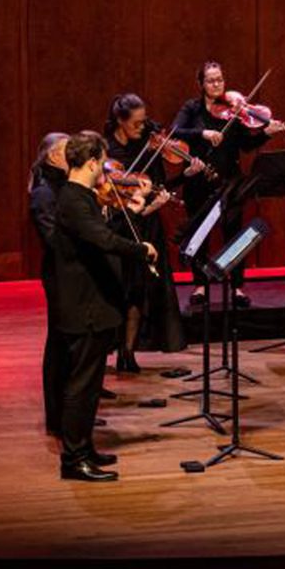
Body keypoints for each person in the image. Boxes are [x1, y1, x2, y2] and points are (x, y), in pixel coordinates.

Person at [49, 134, 157, 481]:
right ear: (93, 162)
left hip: (91, 304)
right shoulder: (73, 199)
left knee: (91, 384)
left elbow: (97, 234)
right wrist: (141, 249)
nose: (106, 172)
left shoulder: (79, 197)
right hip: (84, 307)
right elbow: (102, 240)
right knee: (81, 386)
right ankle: (73, 460)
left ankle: (84, 448)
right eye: (103, 163)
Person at [169, 60, 285, 307]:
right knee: (199, 235)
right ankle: (200, 287)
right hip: (199, 181)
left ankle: (236, 287)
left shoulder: (234, 110)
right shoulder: (192, 109)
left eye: (220, 79)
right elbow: (175, 131)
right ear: (201, 84)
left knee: (234, 235)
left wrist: (266, 134)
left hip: (230, 182)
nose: (217, 84)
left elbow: (246, 146)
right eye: (211, 80)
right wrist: (203, 134)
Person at [103, 93, 196, 371]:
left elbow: (158, 185)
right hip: (118, 227)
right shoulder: (105, 151)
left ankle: (128, 353)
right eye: (136, 123)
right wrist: (141, 206)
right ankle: (111, 348)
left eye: (144, 123)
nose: (142, 128)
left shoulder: (149, 143)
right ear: (120, 121)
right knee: (118, 291)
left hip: (147, 225)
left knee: (138, 291)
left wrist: (182, 178)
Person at [27, 131, 70, 434]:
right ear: (54, 156)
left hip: (67, 274)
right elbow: (54, 239)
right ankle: (57, 419)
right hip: (59, 276)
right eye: (69, 151)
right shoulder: (44, 193)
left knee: (67, 347)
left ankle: (71, 413)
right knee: (58, 346)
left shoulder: (60, 185)